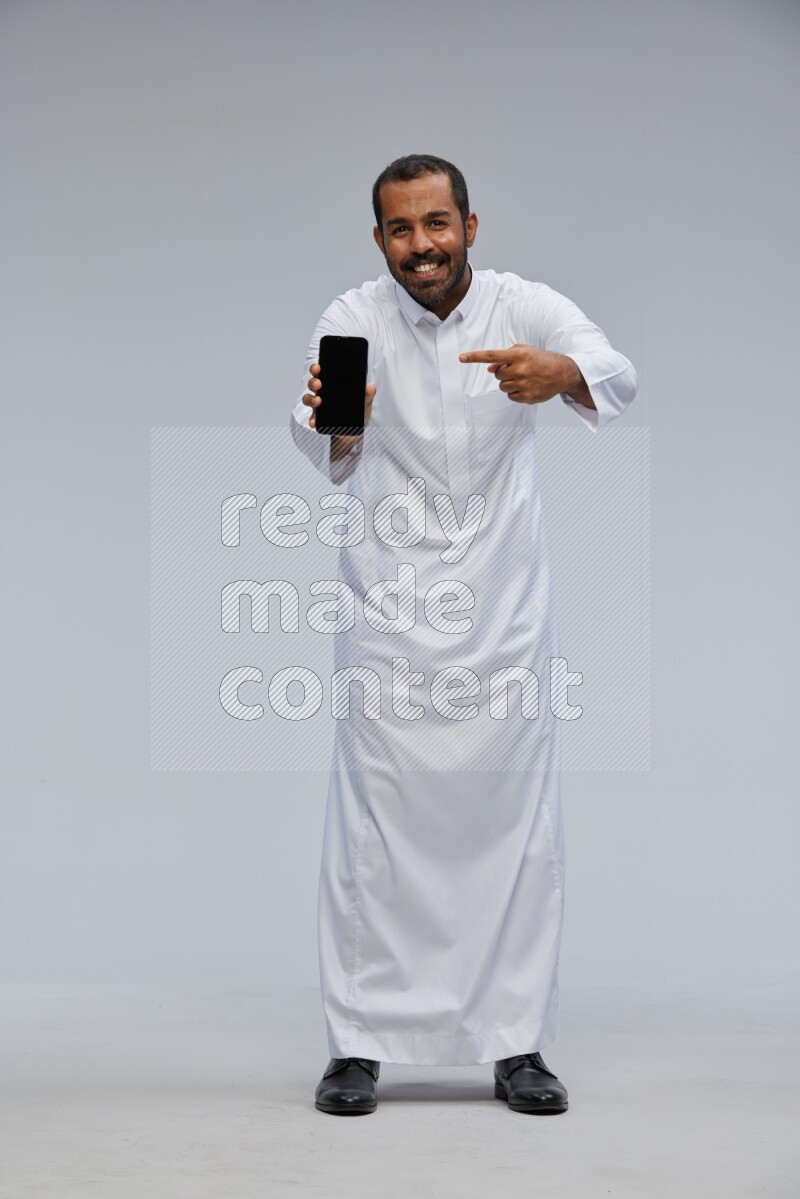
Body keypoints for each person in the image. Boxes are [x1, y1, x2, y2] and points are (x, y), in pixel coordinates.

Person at [289, 154, 639, 1116]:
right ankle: (356, 1044)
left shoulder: (522, 307)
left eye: (437, 224)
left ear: (471, 227)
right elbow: (323, 425)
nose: (421, 246)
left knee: (514, 830)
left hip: (502, 613)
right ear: (379, 241)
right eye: (401, 229)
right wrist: (340, 422)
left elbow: (616, 370)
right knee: (374, 832)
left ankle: (516, 1045)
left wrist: (563, 372)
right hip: (392, 617)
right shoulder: (354, 316)